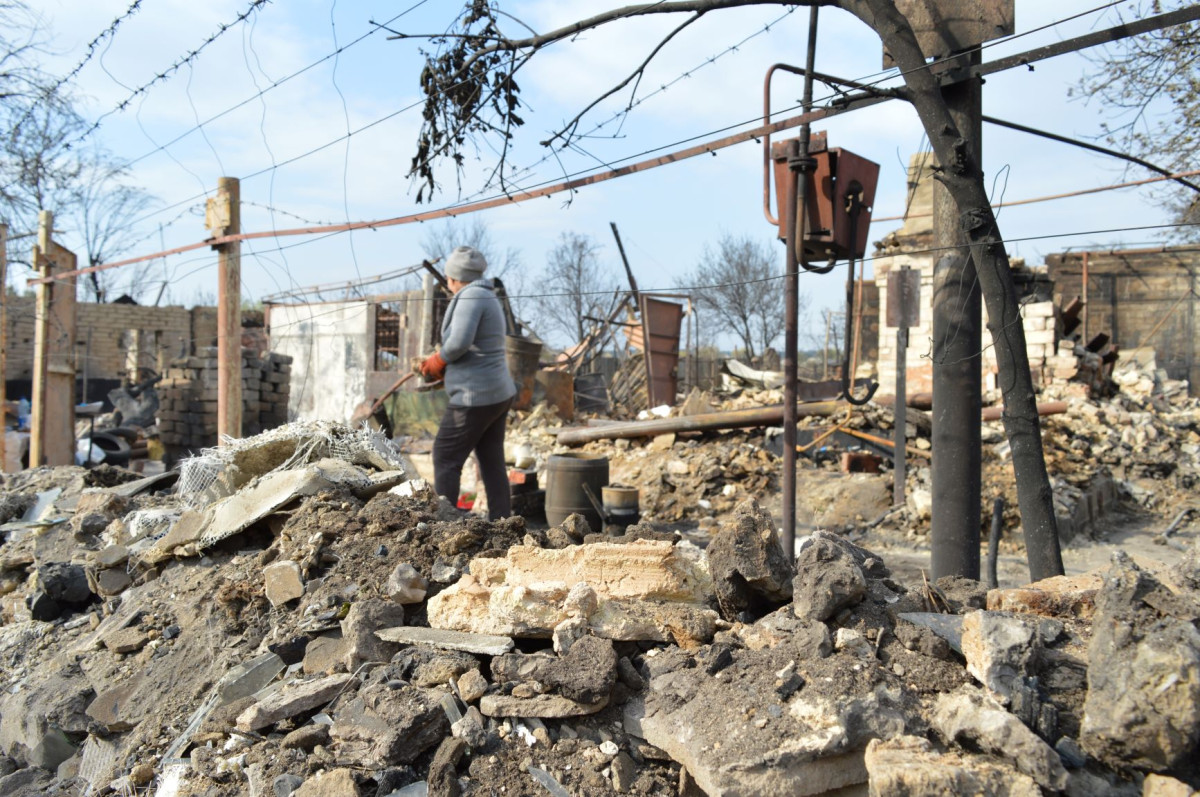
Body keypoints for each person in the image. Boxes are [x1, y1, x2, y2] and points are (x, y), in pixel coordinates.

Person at [419, 246, 516, 520]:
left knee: (445, 456)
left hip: (476, 396)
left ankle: (445, 524)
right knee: (491, 459)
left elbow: (459, 342)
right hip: (497, 392)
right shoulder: (486, 295)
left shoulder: (472, 296)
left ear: (454, 278)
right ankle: (502, 521)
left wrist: (438, 360)